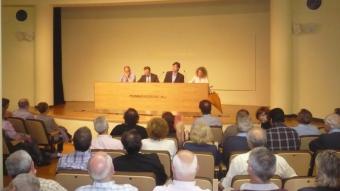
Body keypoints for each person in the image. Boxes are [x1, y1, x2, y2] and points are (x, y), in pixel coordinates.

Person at [220, 127, 297, 189]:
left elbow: (225, 186)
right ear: (266, 141)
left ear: (248, 143)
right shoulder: (280, 160)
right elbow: (294, 180)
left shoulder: (238, 160)